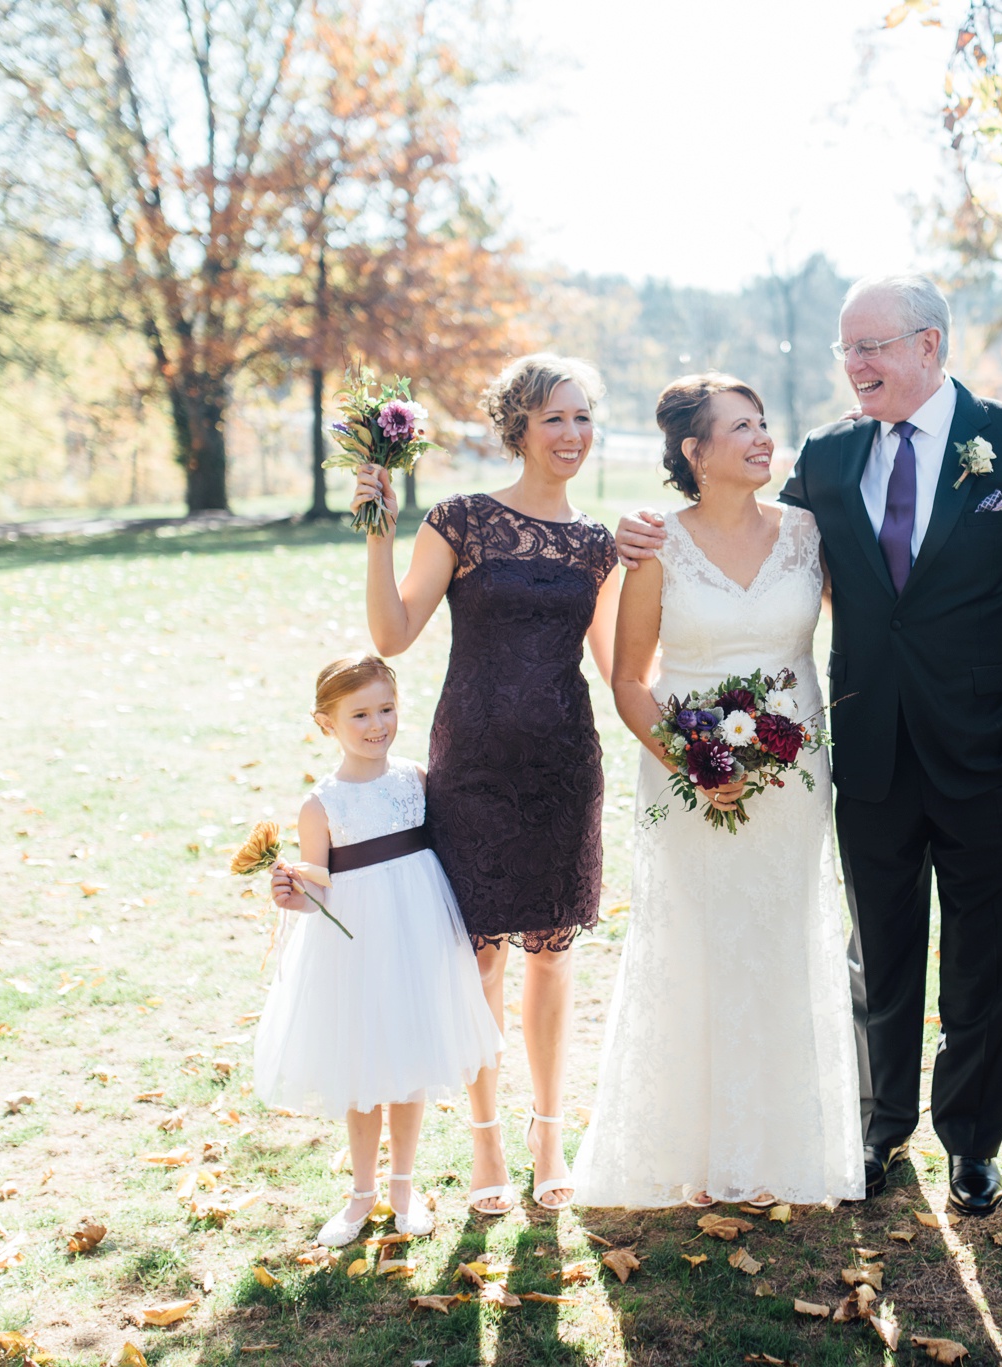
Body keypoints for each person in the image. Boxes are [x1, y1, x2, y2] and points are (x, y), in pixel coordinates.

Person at [618, 277, 1002, 1216]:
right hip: (866, 752)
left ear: (931, 346)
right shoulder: (828, 458)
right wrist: (640, 526)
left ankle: (972, 1142)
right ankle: (877, 1131)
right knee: (879, 952)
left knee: (987, 958)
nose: (857, 366)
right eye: (847, 350)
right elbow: (733, 534)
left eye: (874, 346)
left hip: (999, 752)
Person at [571, 375, 862, 1208]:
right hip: (686, 779)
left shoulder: (808, 532)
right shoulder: (657, 544)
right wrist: (691, 760)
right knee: (693, 945)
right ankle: (689, 1148)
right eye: (741, 427)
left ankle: (784, 1145)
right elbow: (629, 680)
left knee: (782, 939)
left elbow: (878, 627)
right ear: (695, 454)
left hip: (796, 777)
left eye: (765, 422)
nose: (763, 437)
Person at [354, 354, 619, 1215]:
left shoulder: (599, 544)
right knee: (478, 959)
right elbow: (393, 635)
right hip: (470, 767)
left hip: (562, 769)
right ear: (518, 428)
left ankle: (549, 1136)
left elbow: (622, 668)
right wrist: (378, 530)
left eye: (581, 417)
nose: (571, 434)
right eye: (553, 418)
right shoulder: (462, 520)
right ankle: (486, 1149)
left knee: (552, 955)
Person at [258, 654, 501, 1247]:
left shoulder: (416, 781)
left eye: (386, 709)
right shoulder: (320, 805)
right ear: (326, 724)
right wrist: (292, 895)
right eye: (360, 714)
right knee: (364, 1066)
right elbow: (319, 892)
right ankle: (361, 1192)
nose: (376, 725)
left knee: (409, 1062)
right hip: (360, 947)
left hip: (418, 933)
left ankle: (402, 1186)